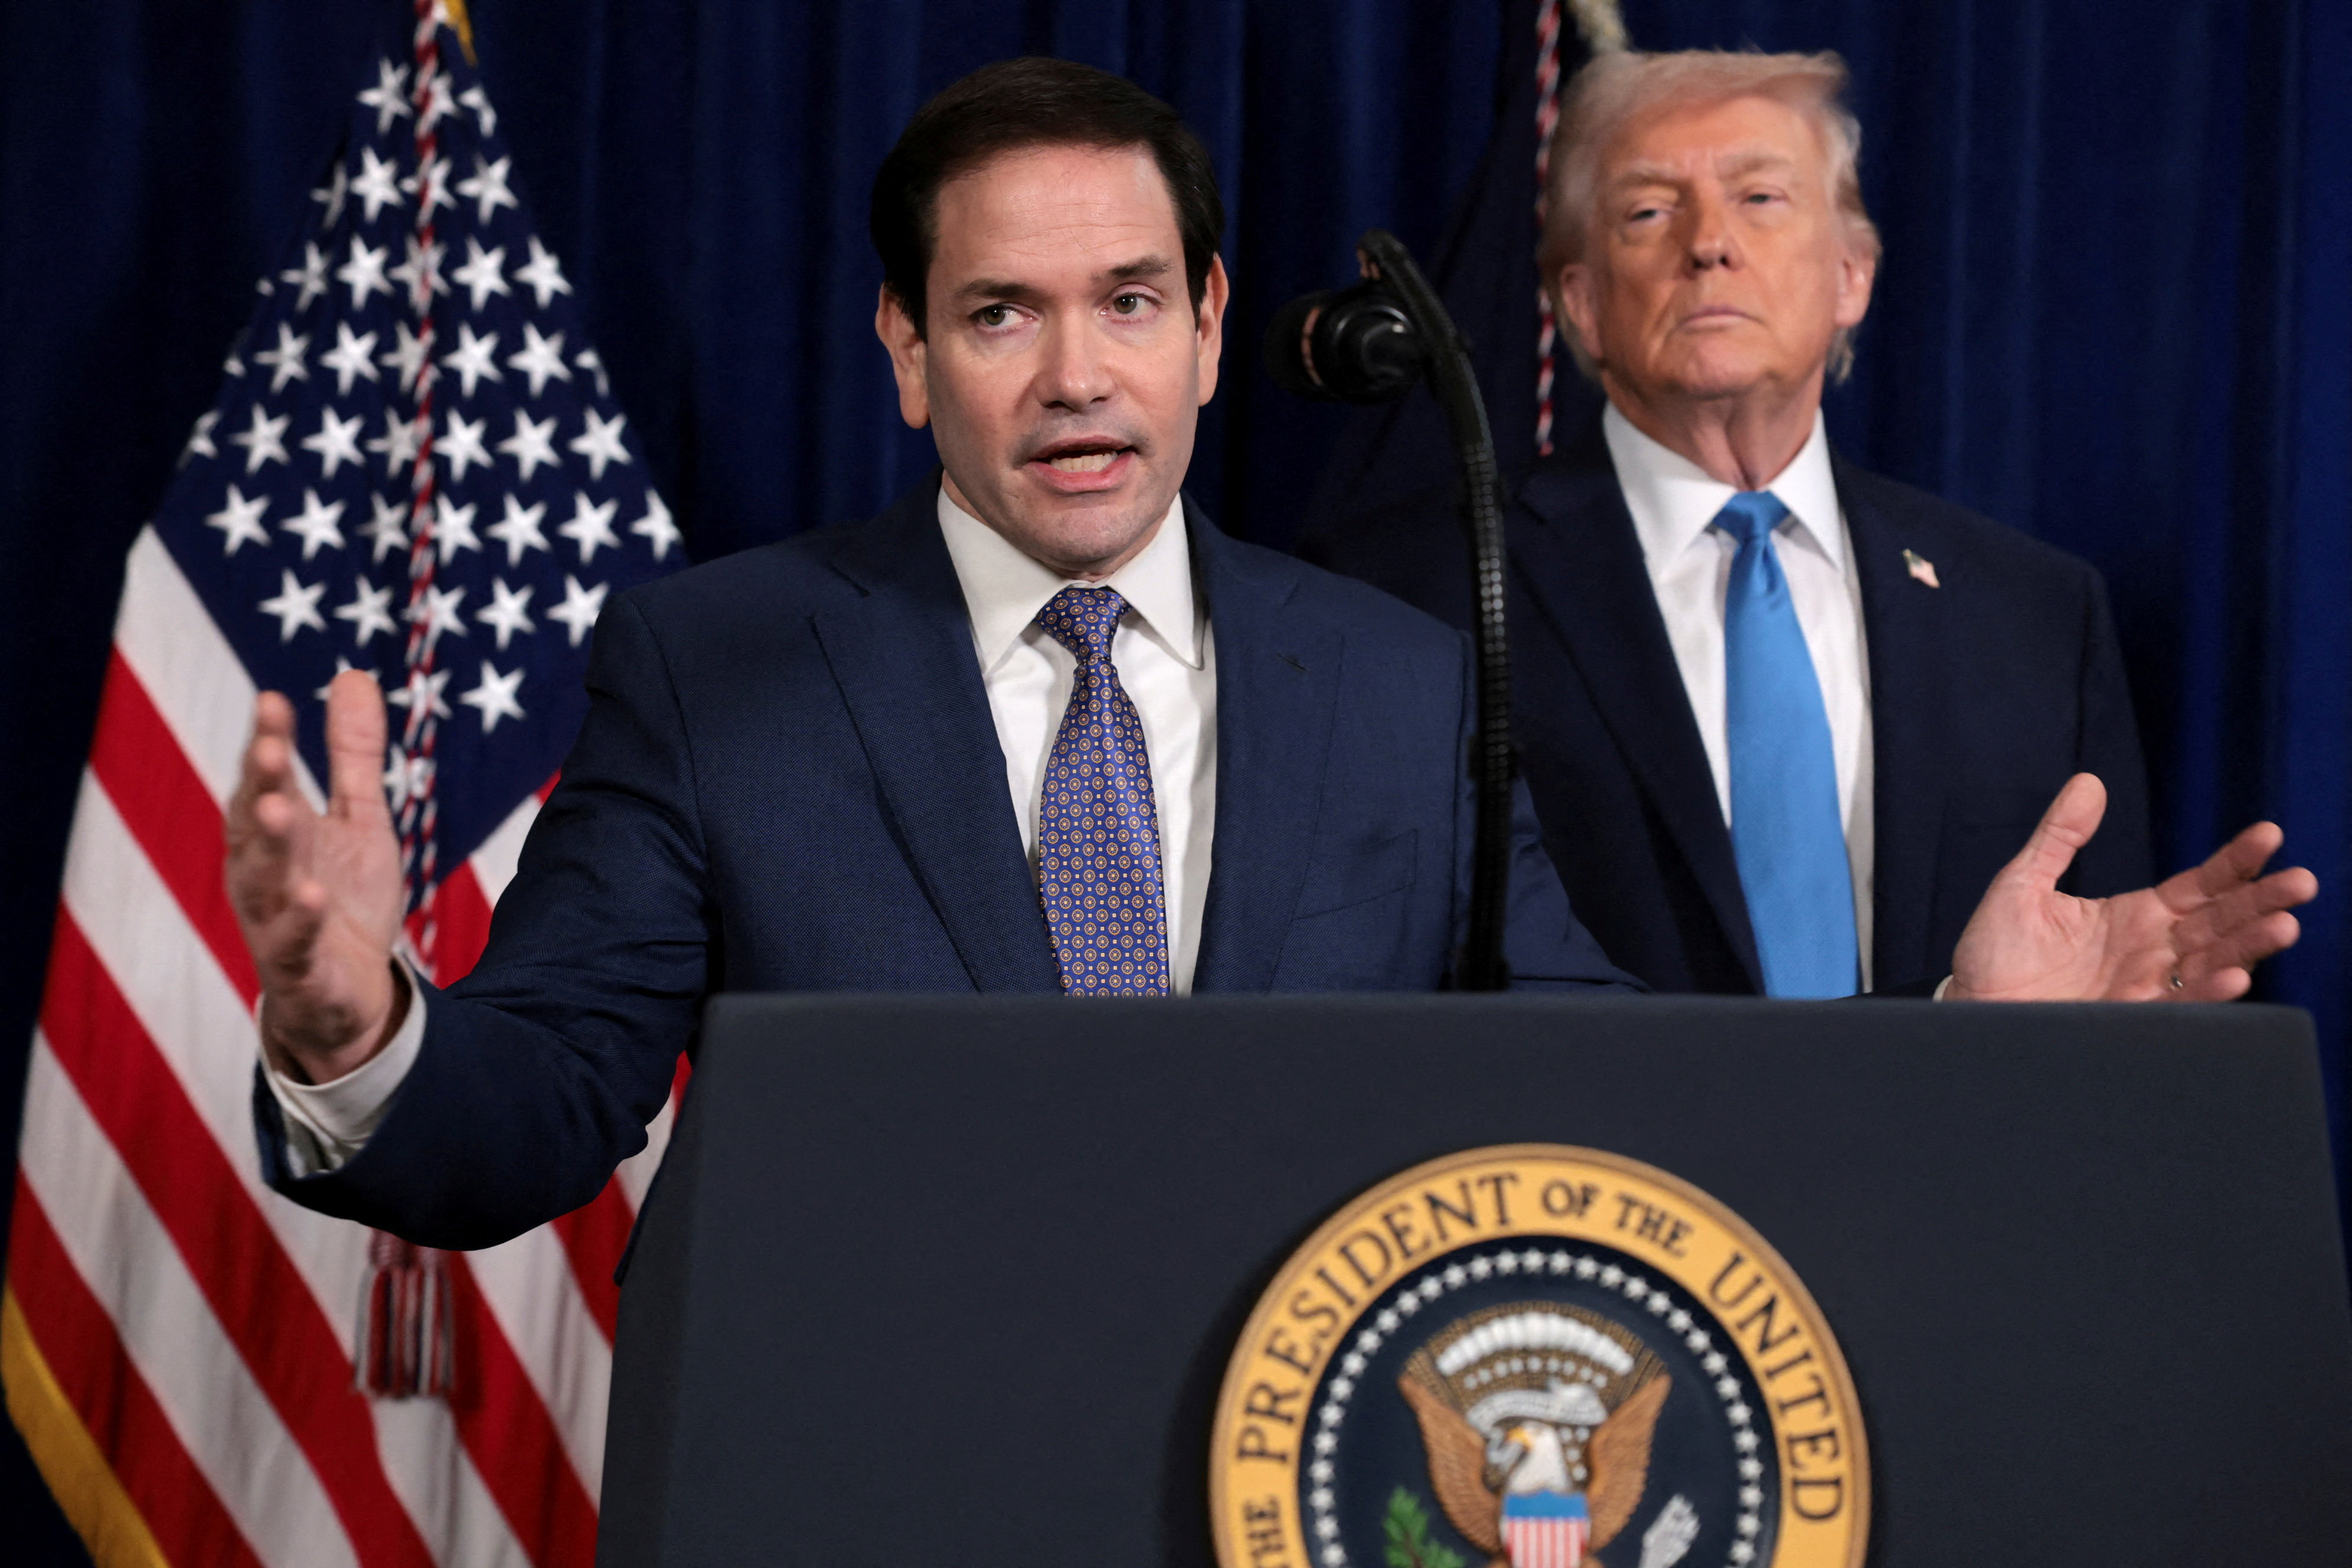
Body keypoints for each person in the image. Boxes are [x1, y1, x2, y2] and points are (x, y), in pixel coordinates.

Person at [228, 59, 2314, 1251]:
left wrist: (1947, 1026)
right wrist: (358, 1026)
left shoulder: (1393, 671)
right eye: (999, 313)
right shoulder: (723, 665)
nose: (1076, 376)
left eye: (1131, 299)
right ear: (902, 351)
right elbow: (541, 1105)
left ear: (1216, 327)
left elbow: (1613, 1064)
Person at [1309, 50, 2157, 997]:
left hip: (1948, 1140)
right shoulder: (1411, 589)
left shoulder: (2035, 613)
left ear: (1851, 277)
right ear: (1582, 303)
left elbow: (2098, 997)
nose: (1708, 243)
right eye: (1649, 211)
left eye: (1760, 198)